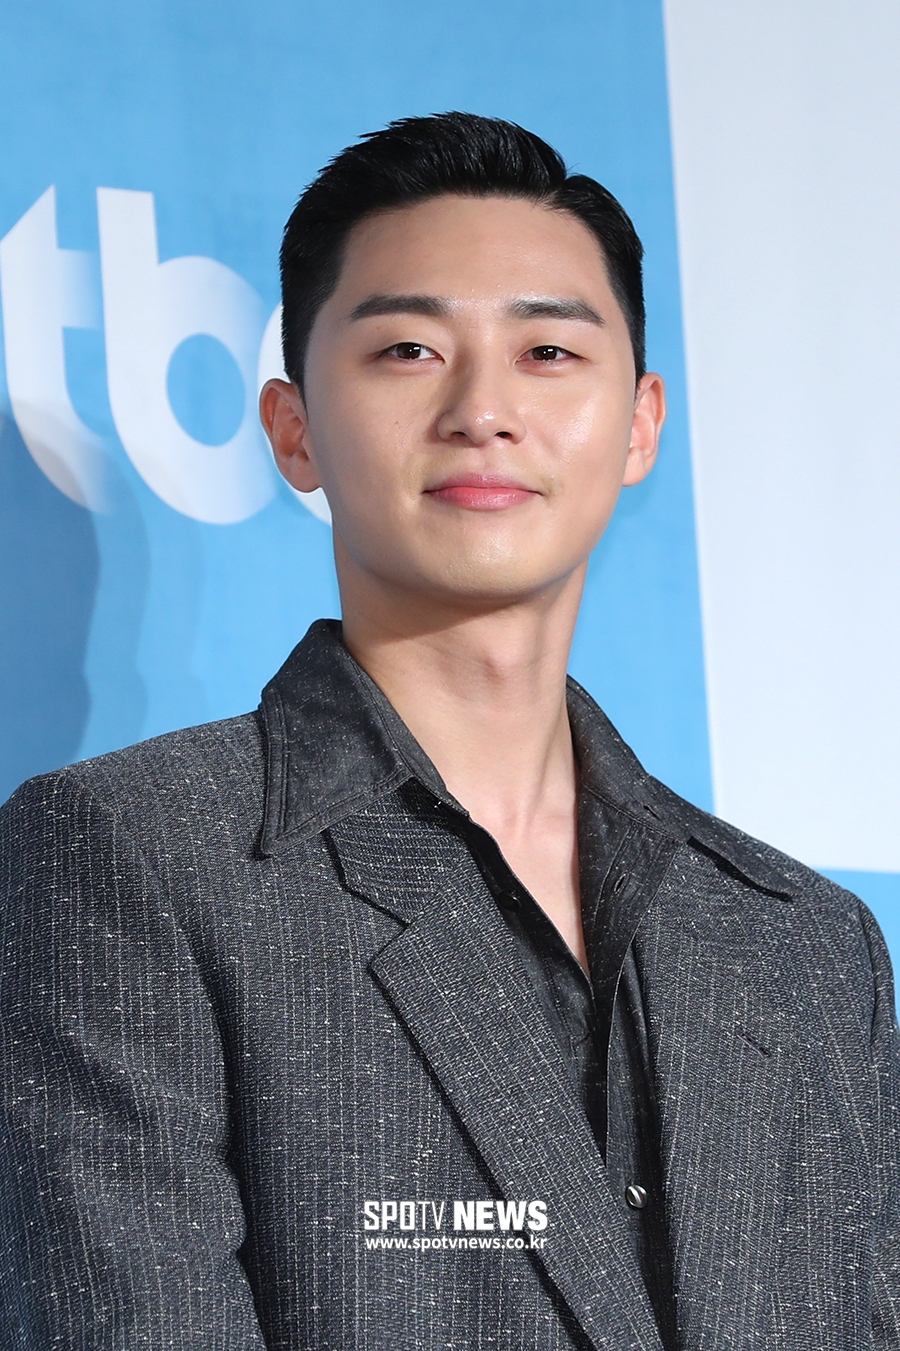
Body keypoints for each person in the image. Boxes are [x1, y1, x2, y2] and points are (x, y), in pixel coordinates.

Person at [0, 112, 897, 1351]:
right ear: (292, 425)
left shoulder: (806, 944)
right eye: (410, 348)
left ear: (639, 423)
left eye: (546, 350)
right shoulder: (132, 858)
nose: (485, 408)